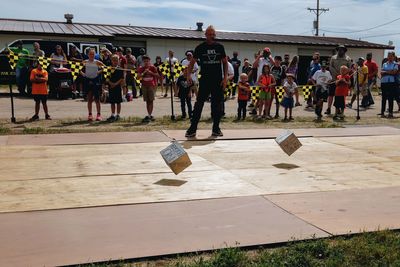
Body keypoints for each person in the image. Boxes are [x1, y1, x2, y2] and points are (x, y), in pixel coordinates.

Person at [185, 25, 228, 138]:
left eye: (213, 34)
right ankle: (192, 129)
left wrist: (225, 78)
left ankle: (216, 129)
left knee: (217, 105)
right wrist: (188, 75)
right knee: (199, 104)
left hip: (217, 81)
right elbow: (192, 62)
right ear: (205, 35)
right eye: (210, 34)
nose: (212, 36)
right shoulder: (200, 47)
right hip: (204, 80)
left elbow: (225, 62)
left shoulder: (220, 47)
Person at [327, 45, 352, 115]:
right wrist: (337, 74)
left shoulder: (348, 58)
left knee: (341, 96)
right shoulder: (333, 57)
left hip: (343, 81)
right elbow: (330, 67)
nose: (340, 51)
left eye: (342, 50)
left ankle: (340, 110)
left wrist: (343, 75)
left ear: (344, 50)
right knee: (331, 94)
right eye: (339, 50)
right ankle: (328, 108)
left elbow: (349, 68)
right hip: (334, 79)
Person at [81, 48, 105, 121]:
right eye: (90, 54)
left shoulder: (97, 62)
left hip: (96, 81)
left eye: (93, 54)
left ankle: (98, 115)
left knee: (97, 99)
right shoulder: (85, 62)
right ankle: (90, 114)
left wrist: (99, 72)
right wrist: (83, 74)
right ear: (88, 55)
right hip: (88, 80)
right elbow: (78, 68)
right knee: (89, 99)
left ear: (95, 55)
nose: (91, 55)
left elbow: (104, 67)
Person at [138, 55, 159, 122]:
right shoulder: (141, 68)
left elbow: (158, 75)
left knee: (151, 100)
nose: (146, 62)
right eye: (145, 61)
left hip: (151, 85)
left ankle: (150, 114)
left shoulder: (153, 67)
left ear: (149, 61)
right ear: (143, 62)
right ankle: (149, 114)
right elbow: (138, 77)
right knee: (147, 101)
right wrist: (144, 73)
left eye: (147, 61)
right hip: (144, 85)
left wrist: (150, 72)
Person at [106, 55, 124, 122]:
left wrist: (116, 84)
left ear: (118, 61)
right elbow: (107, 78)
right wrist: (111, 83)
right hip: (111, 87)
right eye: (114, 60)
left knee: (118, 102)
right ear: (111, 61)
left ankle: (118, 115)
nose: (115, 62)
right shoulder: (109, 69)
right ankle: (113, 114)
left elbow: (122, 78)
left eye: (116, 60)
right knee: (112, 102)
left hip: (118, 87)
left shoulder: (120, 69)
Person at [380, 51, 398, 118]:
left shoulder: (395, 64)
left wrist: (385, 72)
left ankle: (390, 112)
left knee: (390, 98)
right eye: (388, 56)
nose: (389, 57)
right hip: (384, 82)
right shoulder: (384, 64)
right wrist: (389, 72)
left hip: (391, 82)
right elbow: (381, 72)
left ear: (393, 57)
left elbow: (394, 72)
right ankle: (382, 112)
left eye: (391, 56)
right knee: (384, 98)